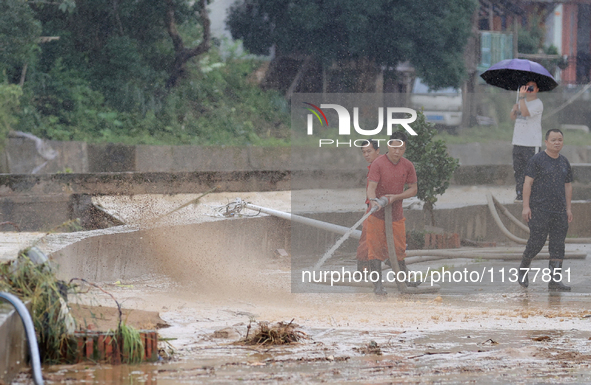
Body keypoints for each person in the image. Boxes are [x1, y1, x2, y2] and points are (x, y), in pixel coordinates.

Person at [517, 128, 573, 291]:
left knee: (558, 244)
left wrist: (568, 208)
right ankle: (523, 268)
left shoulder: (564, 162)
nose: (557, 142)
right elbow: (527, 183)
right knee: (537, 241)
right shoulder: (537, 160)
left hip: (559, 211)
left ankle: (554, 281)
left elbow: (568, 186)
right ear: (546, 142)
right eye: (554, 140)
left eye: (560, 140)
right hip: (539, 209)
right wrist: (526, 207)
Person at [365, 131, 418, 295]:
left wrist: (395, 197)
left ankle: (403, 282)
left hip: (396, 215)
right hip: (377, 215)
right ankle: (378, 287)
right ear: (389, 146)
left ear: (404, 148)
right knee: (375, 251)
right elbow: (371, 188)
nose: (396, 152)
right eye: (394, 148)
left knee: (399, 249)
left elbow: (413, 189)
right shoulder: (378, 164)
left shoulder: (407, 165)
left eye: (400, 149)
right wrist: (374, 201)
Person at [510, 81, 543, 203]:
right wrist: (514, 110)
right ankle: (519, 194)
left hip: (531, 143)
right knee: (518, 170)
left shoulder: (538, 104)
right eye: (527, 86)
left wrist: (521, 97)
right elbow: (513, 116)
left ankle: (532, 195)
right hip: (518, 141)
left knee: (530, 171)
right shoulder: (520, 102)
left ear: (537, 89)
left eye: (532, 87)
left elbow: (525, 113)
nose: (529, 89)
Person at [356, 139, 380, 273]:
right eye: (363, 152)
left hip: (377, 209)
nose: (366, 154)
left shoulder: (379, 166)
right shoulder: (374, 167)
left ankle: (364, 274)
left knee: (366, 243)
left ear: (377, 151)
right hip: (373, 208)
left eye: (369, 151)